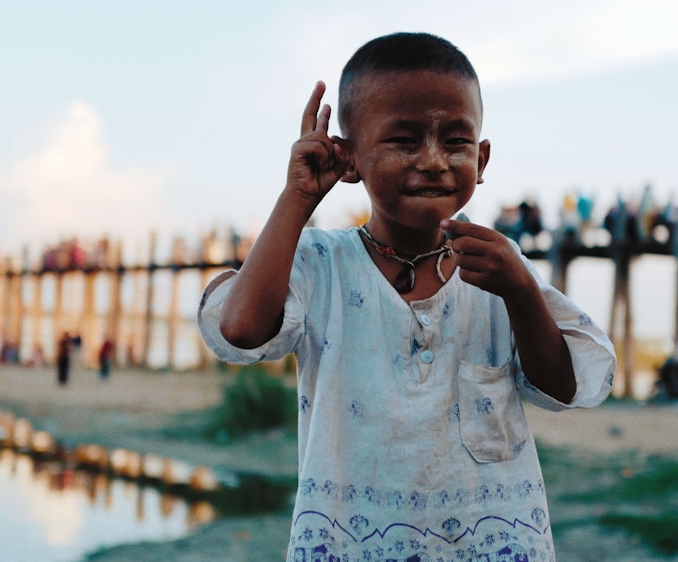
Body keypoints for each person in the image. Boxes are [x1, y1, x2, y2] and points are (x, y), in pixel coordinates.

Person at [197, 32, 615, 561]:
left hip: (492, 544)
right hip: (351, 542)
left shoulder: (498, 265)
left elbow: (564, 385)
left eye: (456, 141)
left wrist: (521, 294)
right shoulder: (320, 263)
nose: (435, 159)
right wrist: (297, 198)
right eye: (404, 140)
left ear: (482, 159)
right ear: (348, 159)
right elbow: (241, 330)